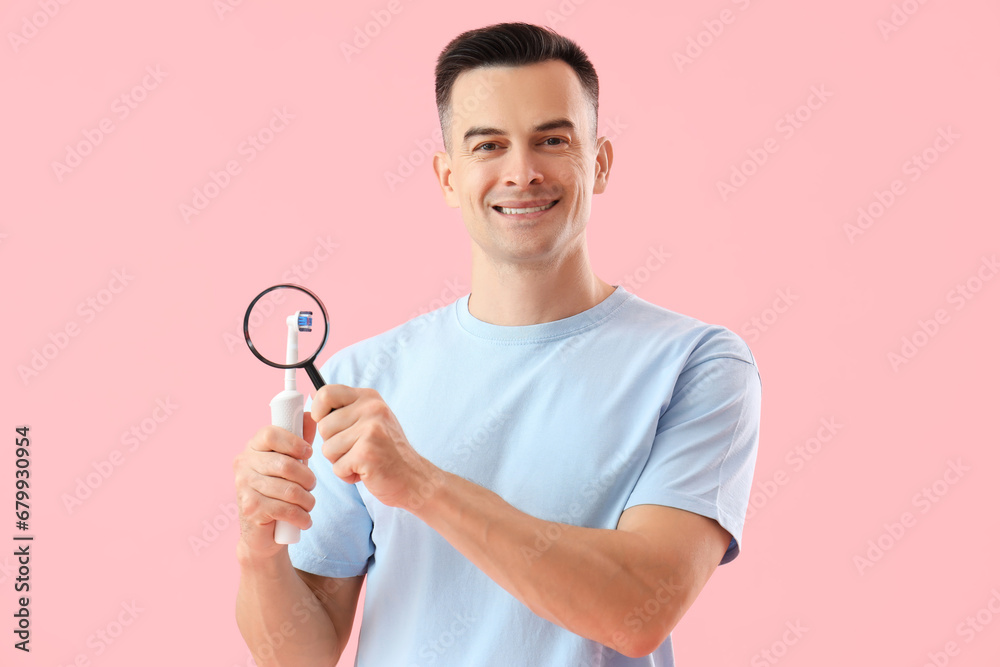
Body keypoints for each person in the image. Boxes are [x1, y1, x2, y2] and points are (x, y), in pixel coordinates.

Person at [233, 21, 761, 666]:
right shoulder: (360, 378)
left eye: (552, 140)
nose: (522, 172)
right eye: (488, 146)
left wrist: (420, 483)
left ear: (598, 164)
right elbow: (298, 655)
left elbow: (638, 610)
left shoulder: (696, 364)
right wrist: (258, 551)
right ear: (448, 177)